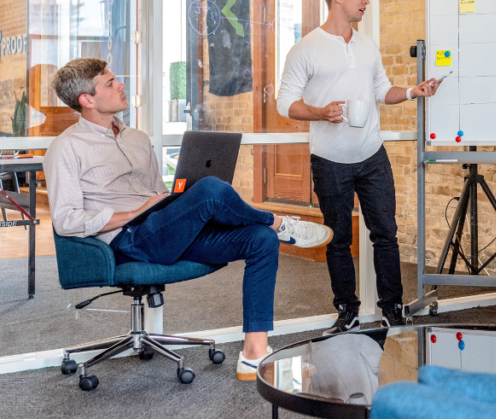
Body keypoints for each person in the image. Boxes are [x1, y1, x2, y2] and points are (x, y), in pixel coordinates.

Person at [44, 58, 332, 381]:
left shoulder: (136, 138)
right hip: (130, 240)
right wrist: (134, 212)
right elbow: (66, 220)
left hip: (163, 229)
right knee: (210, 190)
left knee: (259, 240)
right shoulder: (65, 148)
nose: (121, 85)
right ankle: (277, 223)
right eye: (110, 83)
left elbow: (158, 194)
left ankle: (254, 353)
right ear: (87, 99)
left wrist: (172, 200)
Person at [277, 0, 439, 334]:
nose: (366, 0)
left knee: (385, 233)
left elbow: (382, 91)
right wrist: (320, 112)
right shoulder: (306, 48)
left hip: (372, 155)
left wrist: (413, 91)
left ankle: (392, 308)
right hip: (330, 159)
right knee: (338, 237)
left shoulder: (367, 46)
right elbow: (285, 103)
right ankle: (347, 310)